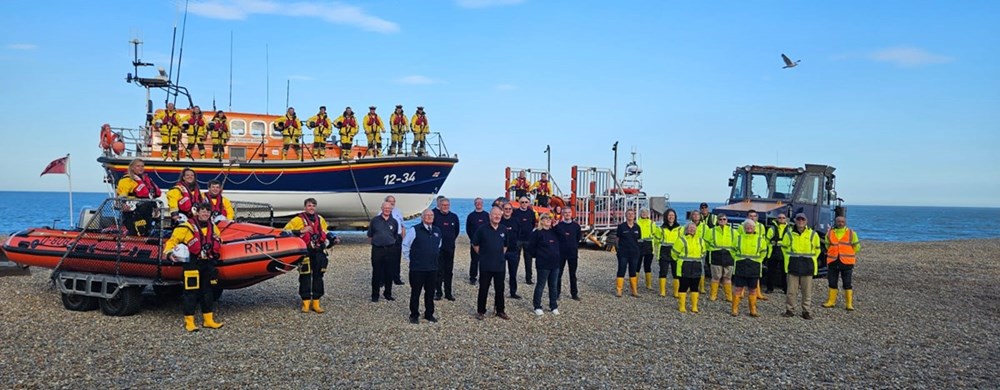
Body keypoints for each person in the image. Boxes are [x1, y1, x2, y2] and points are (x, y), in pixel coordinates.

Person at [163, 204, 224, 332]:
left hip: (207, 263)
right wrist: (169, 253)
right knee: (190, 292)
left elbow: (218, 239)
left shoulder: (213, 227)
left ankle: (208, 320)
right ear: (197, 212)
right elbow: (172, 241)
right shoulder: (187, 227)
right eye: (203, 211)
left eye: (208, 212)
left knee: (208, 292)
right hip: (192, 263)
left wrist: (218, 241)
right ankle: (189, 321)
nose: (205, 214)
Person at [284, 198, 337, 312]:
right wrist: (300, 231)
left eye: (313, 205)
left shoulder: (320, 219)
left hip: (318, 252)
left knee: (319, 276)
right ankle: (306, 302)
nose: (311, 207)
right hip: (306, 252)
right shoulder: (298, 220)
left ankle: (316, 302)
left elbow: (325, 232)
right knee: (305, 277)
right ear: (305, 207)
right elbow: (285, 232)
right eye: (309, 205)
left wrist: (334, 239)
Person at [402, 209, 440, 324]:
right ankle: (414, 315)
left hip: (432, 268)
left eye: (431, 215)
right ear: (422, 217)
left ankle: (429, 314)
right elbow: (405, 246)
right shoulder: (414, 230)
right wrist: (411, 260)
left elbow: (439, 245)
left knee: (430, 293)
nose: (429, 217)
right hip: (417, 268)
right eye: (427, 215)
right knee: (416, 292)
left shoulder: (437, 230)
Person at [472, 207, 510, 320]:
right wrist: (484, 254)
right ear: (490, 215)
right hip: (485, 264)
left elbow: (505, 246)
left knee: (500, 289)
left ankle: (500, 310)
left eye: (499, 214)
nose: (497, 216)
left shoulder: (504, 229)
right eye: (495, 214)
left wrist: (498, 255)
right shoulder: (482, 229)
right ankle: (481, 311)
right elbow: (475, 244)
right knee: (483, 288)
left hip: (499, 264)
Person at [781, 213, 821, 319]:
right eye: (798, 219)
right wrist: (789, 259)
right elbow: (784, 248)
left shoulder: (813, 234)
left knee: (806, 292)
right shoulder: (789, 234)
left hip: (808, 266)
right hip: (793, 265)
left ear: (806, 221)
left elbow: (817, 249)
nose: (800, 221)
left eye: (803, 219)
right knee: (791, 291)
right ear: (795, 221)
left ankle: (806, 311)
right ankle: (789, 310)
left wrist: (812, 259)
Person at [823, 216, 860, 311]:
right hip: (833, 261)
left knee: (847, 283)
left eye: (842, 221)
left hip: (847, 262)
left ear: (845, 222)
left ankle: (849, 304)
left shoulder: (852, 233)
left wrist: (848, 253)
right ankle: (831, 302)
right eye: (839, 221)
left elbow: (857, 247)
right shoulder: (830, 233)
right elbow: (827, 245)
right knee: (832, 282)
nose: (840, 223)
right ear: (835, 222)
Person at [731, 220, 768, 317]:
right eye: (747, 226)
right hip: (740, 265)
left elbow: (764, 252)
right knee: (738, 288)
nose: (749, 228)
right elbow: (732, 250)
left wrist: (759, 260)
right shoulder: (738, 238)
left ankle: (753, 310)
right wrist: (737, 259)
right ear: (744, 228)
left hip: (754, 266)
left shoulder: (760, 239)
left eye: (751, 226)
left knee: (753, 289)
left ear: (754, 228)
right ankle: (734, 309)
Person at [116, 159, 161, 236]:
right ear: (132, 167)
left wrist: (155, 207)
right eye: (138, 166)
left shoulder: (146, 180)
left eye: (142, 166)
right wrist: (122, 204)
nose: (141, 168)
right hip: (132, 213)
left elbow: (150, 195)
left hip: (146, 211)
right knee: (136, 231)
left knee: (147, 231)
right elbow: (122, 195)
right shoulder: (126, 180)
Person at [529, 214, 561, 316]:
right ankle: (537, 306)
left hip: (555, 263)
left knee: (553, 286)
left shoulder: (553, 232)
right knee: (541, 285)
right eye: (545, 218)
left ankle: (553, 306)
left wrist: (556, 226)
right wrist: (540, 255)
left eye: (549, 218)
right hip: (543, 263)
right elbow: (531, 248)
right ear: (541, 221)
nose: (548, 220)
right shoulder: (537, 233)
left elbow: (563, 238)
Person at [368, 201, 400, 302]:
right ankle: (375, 295)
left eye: (389, 208)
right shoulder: (375, 220)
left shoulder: (394, 221)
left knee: (389, 273)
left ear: (391, 209)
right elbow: (370, 235)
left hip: (390, 250)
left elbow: (395, 235)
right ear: (381, 208)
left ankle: (388, 294)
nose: (387, 210)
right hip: (377, 250)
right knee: (376, 273)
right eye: (385, 208)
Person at [673, 223, 706, 313]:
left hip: (696, 266)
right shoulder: (681, 240)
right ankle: (682, 306)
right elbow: (674, 253)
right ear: (686, 229)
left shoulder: (700, 240)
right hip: (684, 266)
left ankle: (694, 306)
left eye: (694, 228)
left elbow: (703, 252)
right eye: (690, 228)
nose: (692, 230)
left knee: (694, 286)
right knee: (683, 286)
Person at [432, 197, 460, 301]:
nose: (445, 207)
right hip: (438, 249)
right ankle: (438, 292)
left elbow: (456, 231)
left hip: (450, 248)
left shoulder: (454, 217)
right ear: (439, 205)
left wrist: (451, 240)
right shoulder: (435, 216)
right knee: (439, 271)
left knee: (449, 271)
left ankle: (448, 293)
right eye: (443, 205)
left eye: (447, 205)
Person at [705, 214, 736, 302]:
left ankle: (728, 296)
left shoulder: (734, 232)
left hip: (729, 256)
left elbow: (737, 244)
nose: (722, 221)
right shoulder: (711, 231)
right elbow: (705, 243)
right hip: (716, 256)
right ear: (717, 221)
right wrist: (711, 250)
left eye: (724, 219)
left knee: (727, 277)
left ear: (727, 221)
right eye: (720, 219)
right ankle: (713, 295)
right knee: (716, 277)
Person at [553, 207, 581, 300]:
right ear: (562, 214)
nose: (567, 214)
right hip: (560, 253)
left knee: (572, 274)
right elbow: (555, 239)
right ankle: (557, 293)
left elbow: (578, 239)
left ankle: (574, 294)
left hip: (572, 253)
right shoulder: (558, 226)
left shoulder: (576, 226)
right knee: (558, 274)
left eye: (569, 212)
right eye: (565, 213)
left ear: (571, 213)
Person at [652, 208, 682, 298]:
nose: (671, 217)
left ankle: (676, 292)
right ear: (666, 217)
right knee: (663, 271)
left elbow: (682, 241)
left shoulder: (680, 228)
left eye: (672, 215)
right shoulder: (661, 228)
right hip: (664, 251)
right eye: (669, 215)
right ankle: (662, 291)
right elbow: (656, 241)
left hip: (675, 251)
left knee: (676, 272)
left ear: (675, 217)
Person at [615, 209, 642, 298]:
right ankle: (619, 290)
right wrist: (618, 250)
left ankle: (634, 291)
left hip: (634, 253)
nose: (630, 215)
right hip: (623, 253)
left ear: (634, 216)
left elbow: (639, 240)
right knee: (621, 270)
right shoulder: (621, 227)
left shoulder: (637, 227)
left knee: (633, 271)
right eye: (628, 214)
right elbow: (617, 239)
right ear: (626, 216)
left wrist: (638, 250)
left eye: (632, 214)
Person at [499, 202, 522, 299]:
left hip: (513, 250)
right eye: (506, 209)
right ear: (503, 210)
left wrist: (517, 245)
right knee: (500, 273)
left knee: (513, 273)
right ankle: (500, 291)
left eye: (509, 209)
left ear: (512, 211)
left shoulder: (516, 221)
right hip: (501, 251)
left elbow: (519, 234)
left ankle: (513, 292)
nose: (507, 211)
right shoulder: (499, 221)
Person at [746, 209, 769, 301]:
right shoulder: (742, 226)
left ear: (757, 217)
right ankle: (742, 293)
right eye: (750, 216)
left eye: (754, 216)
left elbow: (763, 239)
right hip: (746, 253)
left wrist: (761, 255)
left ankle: (758, 293)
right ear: (747, 217)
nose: (752, 217)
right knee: (742, 274)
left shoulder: (761, 226)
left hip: (757, 254)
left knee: (757, 274)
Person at [465, 197, 489, 285]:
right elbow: (468, 229)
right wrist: (472, 239)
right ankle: (472, 277)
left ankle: (485, 277)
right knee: (474, 260)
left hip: (486, 242)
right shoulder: (471, 216)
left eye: (480, 202)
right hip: (474, 242)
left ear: (482, 204)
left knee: (485, 261)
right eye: (477, 202)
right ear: (474, 204)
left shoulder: (487, 215)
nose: (478, 204)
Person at [513, 197, 537, 284]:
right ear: (519, 203)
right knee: (516, 259)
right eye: (522, 202)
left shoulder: (531, 213)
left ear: (528, 203)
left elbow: (533, 223)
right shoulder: (515, 213)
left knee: (528, 260)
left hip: (528, 239)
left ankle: (528, 278)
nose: (524, 204)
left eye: (526, 202)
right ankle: (513, 276)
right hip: (518, 239)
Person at [765, 213, 791, 294]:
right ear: (777, 219)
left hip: (785, 253)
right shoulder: (772, 229)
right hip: (773, 252)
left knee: (785, 272)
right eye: (779, 217)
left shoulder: (790, 229)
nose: (781, 219)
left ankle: (786, 289)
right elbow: (766, 240)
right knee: (771, 272)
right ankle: (769, 288)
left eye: (783, 218)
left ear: (786, 219)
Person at [386, 195, 407, 285]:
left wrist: (403, 238)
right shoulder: (381, 213)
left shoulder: (398, 211)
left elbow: (402, 225)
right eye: (390, 201)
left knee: (397, 259)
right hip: (387, 238)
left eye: (393, 201)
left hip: (397, 237)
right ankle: (384, 279)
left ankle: (396, 278)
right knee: (386, 259)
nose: (392, 203)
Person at [636, 209, 656, 290]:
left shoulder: (652, 223)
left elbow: (655, 235)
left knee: (647, 266)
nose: (644, 214)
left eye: (646, 213)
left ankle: (648, 285)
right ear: (640, 214)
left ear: (648, 214)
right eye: (642, 212)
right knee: (637, 266)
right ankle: (635, 284)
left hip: (649, 246)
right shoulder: (637, 222)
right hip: (638, 246)